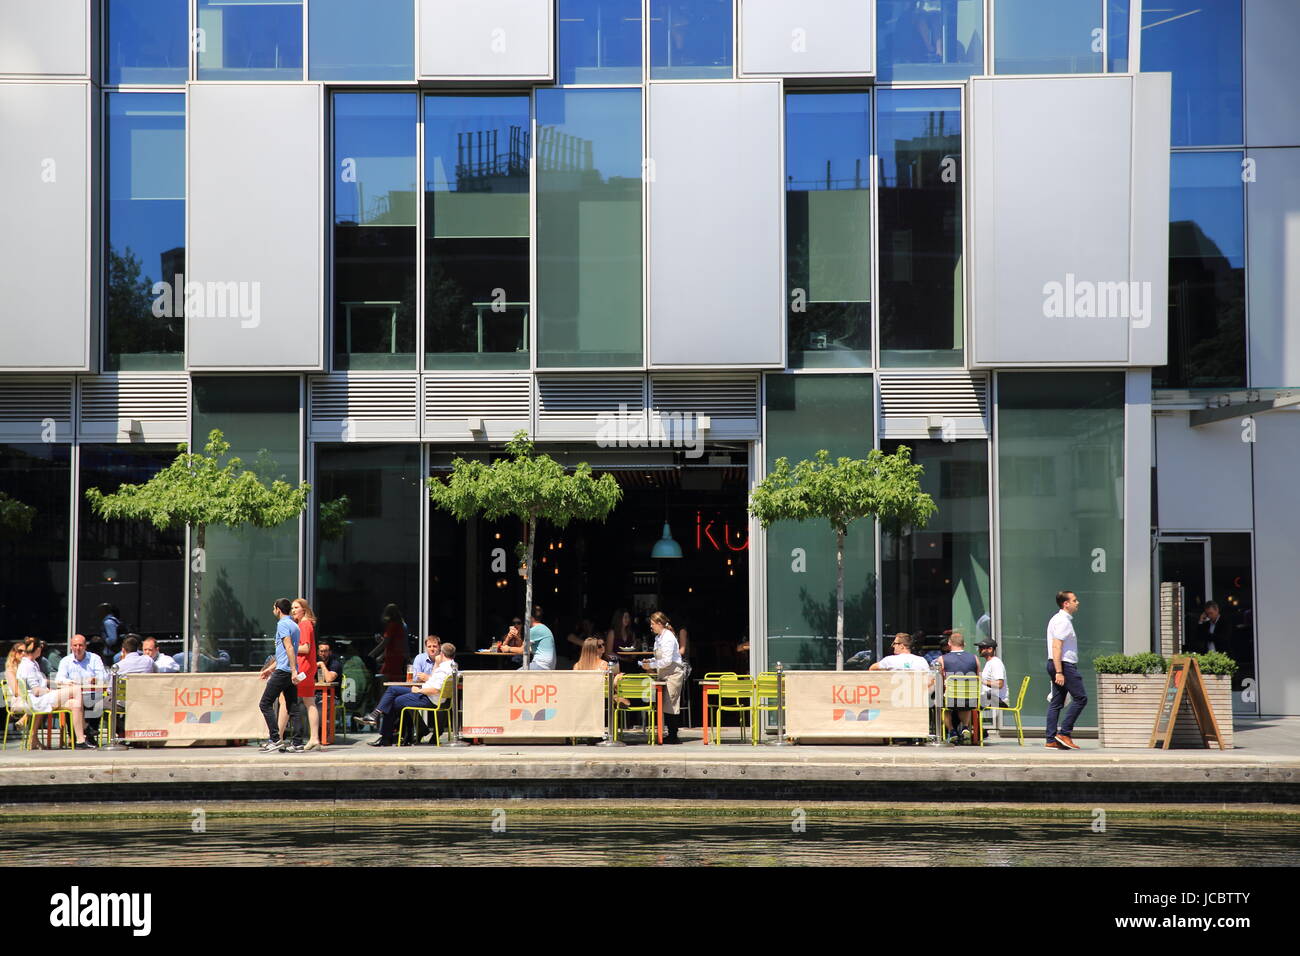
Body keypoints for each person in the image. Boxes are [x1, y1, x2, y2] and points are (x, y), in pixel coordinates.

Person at [368, 644, 457, 747]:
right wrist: (437, 663)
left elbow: (435, 690)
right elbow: (433, 681)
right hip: (431, 697)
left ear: (441, 654)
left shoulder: (443, 670)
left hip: (428, 698)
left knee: (392, 701)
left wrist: (419, 691)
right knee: (392, 690)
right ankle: (377, 716)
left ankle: (386, 736)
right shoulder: (452, 666)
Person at [13, 638, 92, 748]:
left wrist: (60, 682)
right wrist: (50, 691)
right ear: (37, 649)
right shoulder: (28, 666)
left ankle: (80, 740)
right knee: (77, 689)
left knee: (74, 703)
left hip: (40, 699)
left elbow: (42, 682)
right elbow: (36, 690)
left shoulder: (32, 663)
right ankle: (85, 727)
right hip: (38, 700)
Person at [258, 599, 305, 754]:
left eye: (273, 608)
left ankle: (275, 739)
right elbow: (284, 652)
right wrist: (270, 669)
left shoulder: (283, 624)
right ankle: (298, 743)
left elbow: (289, 647)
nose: (273, 610)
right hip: (288, 669)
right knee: (293, 707)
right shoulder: (294, 625)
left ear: (278, 609)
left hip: (285, 671)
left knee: (265, 703)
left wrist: (292, 670)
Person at [1045, 590, 1087, 750]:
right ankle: (1064, 733)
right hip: (1064, 665)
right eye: (1074, 600)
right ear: (1066, 604)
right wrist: (1059, 671)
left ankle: (1050, 739)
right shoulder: (1063, 621)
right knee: (1081, 698)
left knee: (1057, 702)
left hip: (1057, 664)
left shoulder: (1058, 619)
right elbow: (1057, 646)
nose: (1078, 603)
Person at [280, 597, 320, 751]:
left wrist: (289, 647)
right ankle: (314, 738)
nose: (293, 611)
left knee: (284, 700)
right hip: (308, 670)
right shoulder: (307, 624)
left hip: (302, 669)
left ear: (303, 609)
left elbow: (306, 648)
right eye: (292, 608)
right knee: (309, 702)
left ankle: (277, 737)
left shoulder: (303, 625)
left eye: (296, 607)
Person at [639, 611, 685, 743]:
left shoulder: (668, 637)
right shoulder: (659, 637)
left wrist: (652, 665)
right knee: (664, 704)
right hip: (663, 673)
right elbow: (660, 656)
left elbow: (667, 660)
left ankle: (673, 736)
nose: (651, 626)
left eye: (653, 624)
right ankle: (669, 734)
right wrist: (649, 661)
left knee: (670, 703)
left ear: (660, 624)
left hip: (673, 673)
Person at [56, 633, 107, 741]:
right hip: (74, 696)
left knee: (97, 701)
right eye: (75, 645)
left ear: (85, 646)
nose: (77, 648)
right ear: (71, 646)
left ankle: (90, 736)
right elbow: (59, 679)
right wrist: (71, 682)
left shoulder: (94, 659)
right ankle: (75, 736)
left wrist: (96, 679)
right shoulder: (65, 661)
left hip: (91, 694)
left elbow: (103, 676)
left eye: (80, 645)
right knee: (72, 702)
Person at [938, 632, 979, 744]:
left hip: (951, 698)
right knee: (964, 704)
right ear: (964, 644)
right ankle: (965, 727)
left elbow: (940, 680)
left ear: (949, 643)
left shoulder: (942, 659)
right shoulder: (974, 658)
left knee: (943, 706)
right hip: (970, 698)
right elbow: (977, 677)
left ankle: (951, 731)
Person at [370, 603, 409, 683]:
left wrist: (371, 654)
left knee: (385, 680)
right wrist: (381, 656)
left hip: (392, 659)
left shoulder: (393, 625)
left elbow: (386, 643)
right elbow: (392, 643)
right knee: (393, 679)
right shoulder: (401, 625)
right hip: (397, 657)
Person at [976, 638, 1009, 710]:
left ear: (990, 649)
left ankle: (968, 721)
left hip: (999, 699)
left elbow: (999, 684)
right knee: (966, 700)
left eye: (981, 648)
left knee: (967, 702)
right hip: (990, 697)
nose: (979, 650)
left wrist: (981, 681)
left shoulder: (996, 663)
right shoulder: (989, 663)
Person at [523, 605, 555, 671]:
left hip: (540, 665)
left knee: (514, 676)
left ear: (530, 617)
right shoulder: (544, 628)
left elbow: (523, 650)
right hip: (549, 666)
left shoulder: (534, 630)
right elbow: (530, 649)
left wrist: (508, 649)